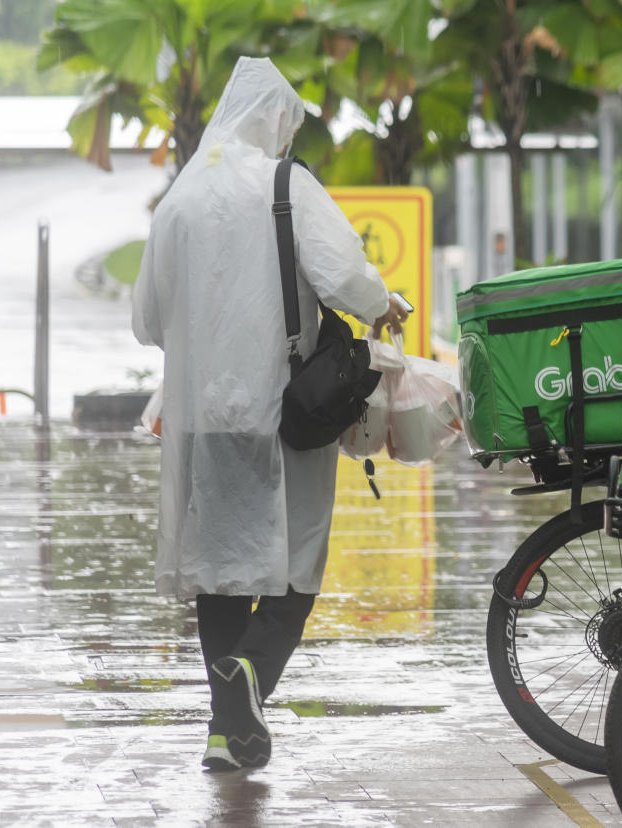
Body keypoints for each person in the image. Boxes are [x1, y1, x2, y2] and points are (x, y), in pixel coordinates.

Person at [131, 56, 410, 771]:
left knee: (221, 566)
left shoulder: (182, 199)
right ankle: (252, 670)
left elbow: (148, 318)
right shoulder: (286, 184)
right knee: (298, 561)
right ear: (274, 119)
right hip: (285, 407)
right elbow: (343, 272)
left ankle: (229, 735)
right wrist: (385, 305)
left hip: (203, 415)